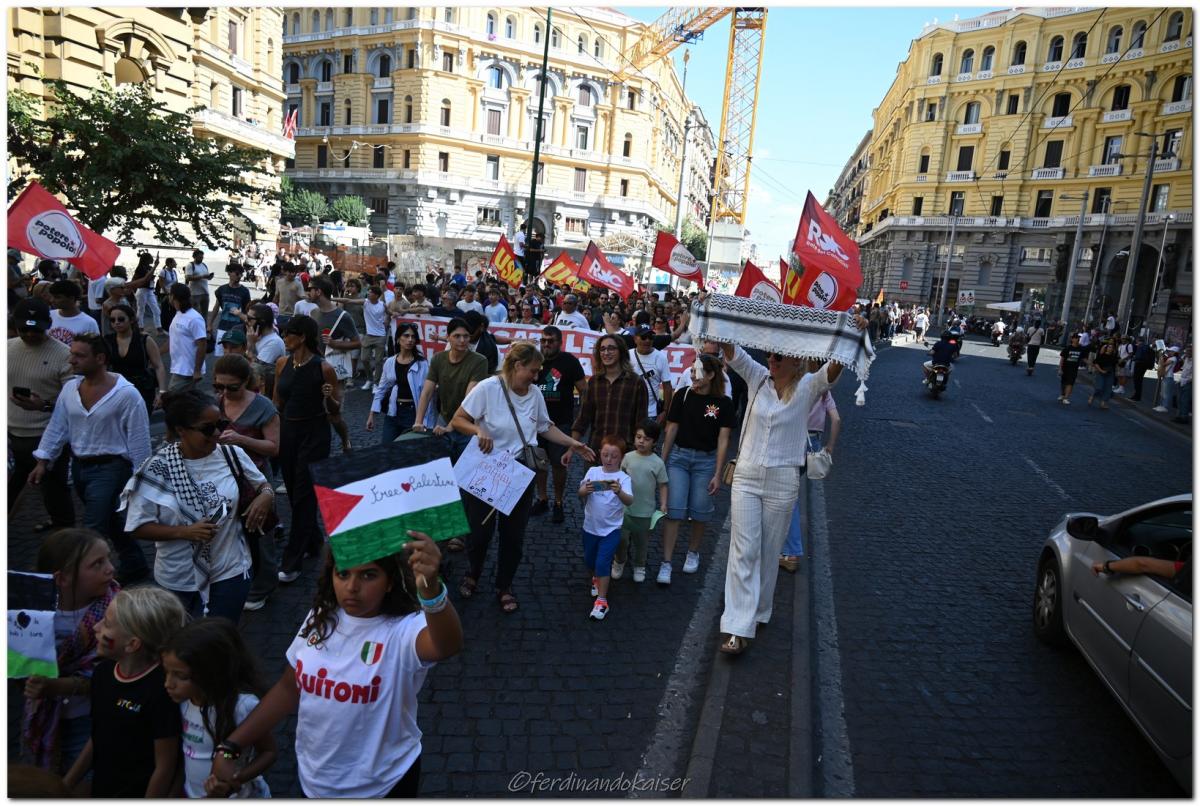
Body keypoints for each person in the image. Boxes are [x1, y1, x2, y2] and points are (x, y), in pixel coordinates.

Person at [208, 537, 463, 798]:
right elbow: (289, 687)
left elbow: (446, 645)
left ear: (390, 582)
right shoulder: (321, 616)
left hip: (384, 785)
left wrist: (432, 591)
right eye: (342, 573)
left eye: (368, 575)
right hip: (315, 781)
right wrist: (232, 745)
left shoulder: (404, 630)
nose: (352, 587)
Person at [715, 314, 866, 656]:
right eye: (769, 354)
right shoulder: (756, 378)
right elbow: (732, 351)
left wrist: (854, 331)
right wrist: (716, 314)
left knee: (769, 550)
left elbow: (833, 370)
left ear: (795, 359)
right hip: (748, 475)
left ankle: (760, 609)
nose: (771, 359)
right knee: (744, 548)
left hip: (784, 480)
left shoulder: (809, 386)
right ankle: (737, 626)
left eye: (778, 356)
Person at [453, 341, 595, 611]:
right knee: (479, 533)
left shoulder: (534, 394)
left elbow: (544, 427)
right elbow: (459, 419)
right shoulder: (488, 388)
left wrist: (571, 443)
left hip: (519, 474)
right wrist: (478, 431)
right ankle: (473, 573)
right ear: (517, 365)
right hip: (486, 470)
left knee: (513, 536)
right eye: (532, 370)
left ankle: (504, 585)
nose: (536, 375)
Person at [121, 389, 272, 622]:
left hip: (230, 570)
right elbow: (137, 527)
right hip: (177, 579)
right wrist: (184, 532)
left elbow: (264, 485)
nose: (217, 433)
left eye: (220, 424)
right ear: (181, 430)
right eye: (207, 429)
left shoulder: (231, 454)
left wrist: (266, 497)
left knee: (220, 638)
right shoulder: (156, 470)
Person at [31, 332, 152, 585]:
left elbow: (139, 440)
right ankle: (135, 563)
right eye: (71, 354)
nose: (71, 361)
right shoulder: (69, 390)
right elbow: (58, 427)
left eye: (79, 355)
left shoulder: (127, 395)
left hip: (111, 469)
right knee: (109, 520)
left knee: (91, 526)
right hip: (80, 468)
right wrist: (43, 461)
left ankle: (81, 580)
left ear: (100, 358)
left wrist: (141, 482)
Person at [61, 586, 188, 797]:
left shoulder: (161, 691)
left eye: (107, 624)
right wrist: (65, 785)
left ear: (132, 644)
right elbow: (98, 735)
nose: (96, 627)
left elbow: (165, 767)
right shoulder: (102, 673)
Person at [21, 529, 119, 776]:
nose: (111, 569)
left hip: (91, 717)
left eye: (108, 558)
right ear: (62, 579)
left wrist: (55, 686)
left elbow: (112, 673)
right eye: (98, 564)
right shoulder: (29, 613)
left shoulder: (118, 610)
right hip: (44, 716)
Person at [162, 620, 276, 798]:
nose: (168, 684)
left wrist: (235, 779)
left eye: (180, 676)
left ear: (211, 673)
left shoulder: (242, 706)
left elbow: (268, 752)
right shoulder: (182, 701)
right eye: (166, 672)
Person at [273, 315, 341, 583]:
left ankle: (292, 559)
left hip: (315, 434)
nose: (284, 337)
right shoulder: (282, 363)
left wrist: (329, 396)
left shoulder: (324, 368)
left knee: (303, 493)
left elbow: (336, 410)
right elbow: (278, 401)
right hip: (289, 431)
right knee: (292, 489)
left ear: (301, 336)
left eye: (288, 333)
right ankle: (313, 540)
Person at [212, 355, 282, 611]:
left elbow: (273, 448)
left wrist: (243, 440)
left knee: (260, 534)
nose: (225, 392)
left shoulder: (263, 407)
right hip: (222, 478)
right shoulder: (215, 403)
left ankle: (264, 585)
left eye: (232, 387)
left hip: (255, 481)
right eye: (219, 387)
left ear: (246, 383)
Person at [658, 354, 734, 584]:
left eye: (698, 371)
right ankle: (667, 562)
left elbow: (723, 440)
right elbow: (671, 430)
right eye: (691, 371)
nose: (693, 375)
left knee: (700, 510)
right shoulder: (683, 395)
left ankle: (693, 551)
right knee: (674, 510)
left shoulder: (724, 403)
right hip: (679, 458)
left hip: (706, 462)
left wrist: (717, 473)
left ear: (711, 375)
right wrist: (661, 462)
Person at [9, 298, 76, 532]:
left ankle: (64, 532)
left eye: (35, 329)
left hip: (48, 436)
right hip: (12, 433)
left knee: (54, 488)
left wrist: (42, 406)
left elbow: (72, 402)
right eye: (23, 329)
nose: (29, 335)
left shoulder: (64, 355)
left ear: (48, 324)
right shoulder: (6, 348)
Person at [780, 361, 841, 573]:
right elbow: (836, 419)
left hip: (794, 440)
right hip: (814, 444)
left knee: (790, 497)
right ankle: (786, 546)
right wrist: (830, 448)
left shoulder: (798, 385)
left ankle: (791, 550)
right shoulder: (824, 391)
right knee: (791, 493)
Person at [413, 317, 488, 463]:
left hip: (468, 424)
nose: (462, 340)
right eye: (457, 336)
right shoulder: (438, 359)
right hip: (444, 419)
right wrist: (418, 421)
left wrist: (449, 427)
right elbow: (427, 391)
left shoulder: (479, 361)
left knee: (464, 471)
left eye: (466, 336)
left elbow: (469, 400)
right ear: (448, 338)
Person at [531, 325, 587, 524]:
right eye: (543, 340)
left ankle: (559, 502)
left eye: (551, 341)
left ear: (559, 342)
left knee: (558, 464)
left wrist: (581, 418)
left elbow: (584, 390)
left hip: (560, 423)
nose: (546, 344)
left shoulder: (569, 361)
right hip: (535, 424)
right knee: (539, 464)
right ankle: (542, 498)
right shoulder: (534, 360)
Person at [578, 435, 634, 621]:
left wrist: (619, 492)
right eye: (605, 455)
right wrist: (584, 491)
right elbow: (580, 492)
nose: (609, 460)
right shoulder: (593, 472)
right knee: (589, 560)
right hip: (590, 527)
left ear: (621, 458)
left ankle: (602, 601)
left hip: (611, 530)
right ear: (599, 454)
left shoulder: (623, 478)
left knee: (603, 562)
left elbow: (630, 500)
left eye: (614, 456)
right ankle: (596, 578)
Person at [572, 333, 649, 461]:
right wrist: (571, 447)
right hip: (596, 453)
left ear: (622, 352)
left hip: (625, 455)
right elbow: (582, 419)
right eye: (602, 349)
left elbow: (641, 422)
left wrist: (639, 455)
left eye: (611, 348)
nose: (606, 352)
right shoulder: (593, 382)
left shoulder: (636, 382)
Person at [614, 420, 668, 584]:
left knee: (641, 542)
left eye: (646, 439)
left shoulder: (657, 462)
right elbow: (618, 476)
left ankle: (639, 565)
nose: (641, 441)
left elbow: (663, 484)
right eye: (638, 437)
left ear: (654, 442)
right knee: (621, 539)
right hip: (624, 509)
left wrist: (664, 503)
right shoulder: (628, 458)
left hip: (645, 511)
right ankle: (619, 561)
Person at [367, 323, 437, 443]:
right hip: (393, 412)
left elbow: (428, 393)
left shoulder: (422, 364)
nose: (410, 339)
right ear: (398, 339)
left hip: (412, 413)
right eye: (406, 336)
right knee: (387, 448)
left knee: (408, 451)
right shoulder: (389, 362)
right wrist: (372, 414)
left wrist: (424, 421)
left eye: (413, 337)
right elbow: (381, 389)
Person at [105, 302, 167, 415]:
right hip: (117, 389)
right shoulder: (107, 341)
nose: (116, 323)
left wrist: (162, 392)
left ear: (132, 320)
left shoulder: (144, 340)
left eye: (121, 319)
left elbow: (158, 366)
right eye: (112, 320)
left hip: (142, 389)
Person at [167, 284, 208, 392]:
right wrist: (156, 353)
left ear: (173, 297)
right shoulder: (178, 314)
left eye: (170, 294)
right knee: (185, 402)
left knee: (173, 399)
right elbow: (173, 338)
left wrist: (197, 370)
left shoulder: (194, 318)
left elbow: (202, 344)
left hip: (187, 370)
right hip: (179, 368)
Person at [629, 325, 673, 424]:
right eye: (644, 337)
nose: (647, 340)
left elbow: (667, 386)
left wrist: (665, 411)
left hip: (651, 414)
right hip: (628, 411)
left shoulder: (661, 357)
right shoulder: (627, 355)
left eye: (651, 337)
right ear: (635, 339)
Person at [209, 264, 251, 357]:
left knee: (236, 356)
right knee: (221, 355)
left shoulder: (244, 291)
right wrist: (210, 324)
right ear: (229, 273)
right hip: (223, 327)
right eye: (237, 273)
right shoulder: (222, 289)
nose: (239, 276)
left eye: (241, 274)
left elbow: (248, 311)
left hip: (238, 329)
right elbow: (216, 307)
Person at [246, 304, 286, 399]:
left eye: (249, 319)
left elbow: (255, 371)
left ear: (261, 322)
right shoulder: (256, 336)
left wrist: (250, 344)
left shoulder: (274, 343)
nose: (246, 322)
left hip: (265, 395)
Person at [48, 280, 100, 346]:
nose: (52, 300)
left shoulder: (89, 323)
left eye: (57, 297)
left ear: (71, 298)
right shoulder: (48, 315)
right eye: (52, 296)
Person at [1087, 340, 1118, 410]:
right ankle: (1092, 396)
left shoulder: (1114, 357)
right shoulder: (1102, 356)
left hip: (1110, 374)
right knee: (1099, 387)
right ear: (1106, 348)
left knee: (1108, 389)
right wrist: (1101, 371)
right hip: (1101, 372)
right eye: (1109, 347)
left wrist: (1116, 373)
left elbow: (1115, 366)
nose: (1110, 349)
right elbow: (1096, 363)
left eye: (1111, 348)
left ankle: (1103, 403)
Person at [184, 249, 213, 320]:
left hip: (205, 293)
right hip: (195, 294)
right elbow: (188, 278)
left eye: (202, 257)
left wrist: (209, 277)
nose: (201, 259)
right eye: (200, 257)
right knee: (194, 313)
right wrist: (202, 276)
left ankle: (204, 328)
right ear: (194, 257)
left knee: (204, 314)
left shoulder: (204, 265)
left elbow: (206, 277)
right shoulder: (190, 265)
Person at [1058, 333, 1085, 405]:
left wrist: (1092, 364)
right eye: (1076, 338)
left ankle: (1066, 398)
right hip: (1065, 368)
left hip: (1074, 369)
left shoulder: (1081, 349)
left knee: (1070, 383)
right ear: (1072, 339)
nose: (1077, 339)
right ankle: (1063, 394)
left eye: (1078, 338)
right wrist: (1060, 368)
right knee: (1063, 383)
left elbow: (1084, 358)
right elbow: (1062, 359)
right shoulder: (1067, 348)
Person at [1153, 346, 1180, 414]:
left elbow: (1163, 365)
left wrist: (1161, 357)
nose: (1169, 352)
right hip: (1166, 376)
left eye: (1171, 351)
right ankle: (1161, 405)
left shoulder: (1173, 358)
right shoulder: (1170, 358)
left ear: (1174, 352)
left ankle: (1165, 407)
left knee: (1166, 393)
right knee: (1162, 392)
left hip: (1169, 377)